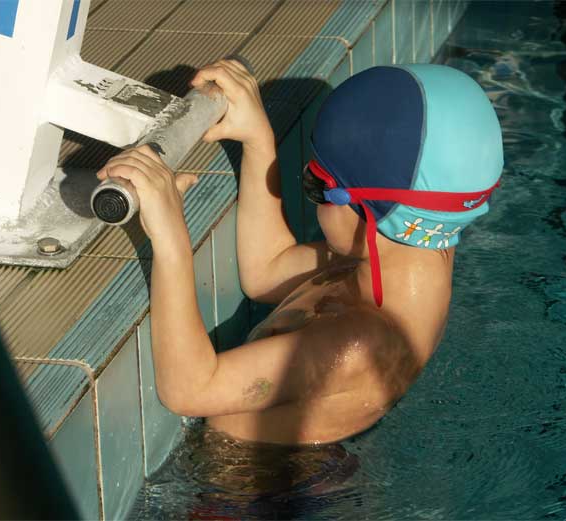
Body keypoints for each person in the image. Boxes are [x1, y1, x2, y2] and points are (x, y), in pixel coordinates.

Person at [97, 59, 503, 445]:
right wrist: (259, 141)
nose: (308, 188)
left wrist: (171, 242)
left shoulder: (355, 346)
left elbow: (190, 390)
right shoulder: (408, 261)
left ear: (369, 212)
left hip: (255, 484)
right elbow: (266, 271)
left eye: (316, 184)